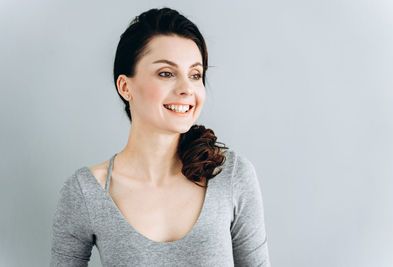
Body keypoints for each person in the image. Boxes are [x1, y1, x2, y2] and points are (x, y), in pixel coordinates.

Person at [50, 7, 271, 267]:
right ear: (125, 87)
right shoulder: (87, 192)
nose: (186, 89)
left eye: (195, 75)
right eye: (166, 73)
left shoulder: (231, 176)